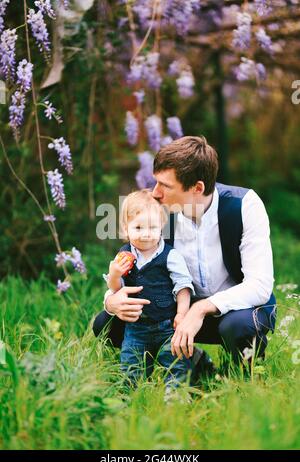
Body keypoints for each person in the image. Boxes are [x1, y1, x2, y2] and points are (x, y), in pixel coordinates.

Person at [93, 136, 276, 370]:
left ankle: (245, 374)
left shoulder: (245, 205)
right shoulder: (159, 213)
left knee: (239, 327)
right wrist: (111, 301)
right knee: (107, 324)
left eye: (165, 186)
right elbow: (131, 267)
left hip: (236, 309)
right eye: (155, 182)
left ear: (197, 188)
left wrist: (201, 309)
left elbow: (260, 286)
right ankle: (192, 364)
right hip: (177, 310)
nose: (155, 193)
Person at [104, 189, 195, 386]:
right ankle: (130, 396)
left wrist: (182, 314)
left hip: (166, 324)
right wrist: (114, 275)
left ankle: (176, 396)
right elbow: (116, 290)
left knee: (175, 362)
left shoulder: (170, 256)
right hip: (135, 327)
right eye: (138, 228)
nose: (146, 234)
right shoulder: (124, 255)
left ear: (162, 227)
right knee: (131, 366)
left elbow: (183, 287)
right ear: (125, 229)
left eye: (152, 228)